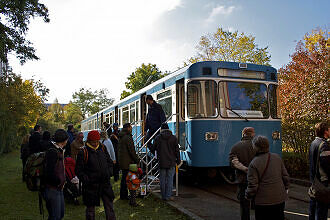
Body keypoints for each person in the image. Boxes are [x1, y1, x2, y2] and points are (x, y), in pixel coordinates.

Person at [245, 136, 290, 220]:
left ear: (256, 147)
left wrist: (248, 195)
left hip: (263, 202)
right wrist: (286, 188)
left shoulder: (254, 163)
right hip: (279, 199)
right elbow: (285, 177)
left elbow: (253, 186)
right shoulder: (277, 157)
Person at [75, 130, 116, 220]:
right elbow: (78, 170)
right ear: (89, 141)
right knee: (90, 211)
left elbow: (109, 162)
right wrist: (86, 179)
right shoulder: (83, 152)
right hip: (91, 186)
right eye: (93, 141)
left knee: (109, 207)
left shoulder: (103, 148)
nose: (96, 143)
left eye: (97, 141)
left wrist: (109, 172)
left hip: (105, 183)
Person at [229, 127, 256, 220]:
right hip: (257, 179)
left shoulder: (236, 147)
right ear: (253, 134)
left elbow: (234, 162)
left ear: (243, 134)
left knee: (244, 205)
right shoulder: (257, 146)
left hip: (243, 179)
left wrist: (245, 169)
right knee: (259, 203)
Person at [149, 123, 180, 201]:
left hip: (161, 162)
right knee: (170, 180)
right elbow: (177, 151)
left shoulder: (158, 138)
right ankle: (168, 196)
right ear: (168, 128)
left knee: (162, 180)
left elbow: (153, 148)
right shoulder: (174, 138)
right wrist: (178, 160)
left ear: (161, 129)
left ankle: (163, 196)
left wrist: (157, 155)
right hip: (171, 162)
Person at [43, 129, 68, 220]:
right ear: (64, 140)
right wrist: (57, 181)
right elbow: (49, 171)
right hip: (53, 188)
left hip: (58, 188)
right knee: (56, 216)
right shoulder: (53, 152)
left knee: (59, 214)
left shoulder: (57, 150)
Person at [308, 121, 330, 220]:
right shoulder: (324, 145)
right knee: (321, 212)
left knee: (313, 210)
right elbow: (327, 165)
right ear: (325, 131)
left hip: (314, 182)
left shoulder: (313, 143)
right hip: (322, 183)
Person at [118, 123, 140, 200]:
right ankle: (124, 196)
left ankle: (123, 195)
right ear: (128, 128)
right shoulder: (127, 137)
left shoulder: (121, 136)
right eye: (130, 127)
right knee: (126, 179)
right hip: (127, 161)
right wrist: (137, 160)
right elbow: (132, 150)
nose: (131, 128)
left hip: (122, 160)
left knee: (124, 178)